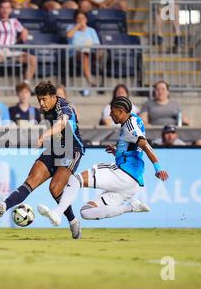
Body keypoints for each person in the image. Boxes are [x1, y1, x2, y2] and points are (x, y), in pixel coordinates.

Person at [38, 95, 169, 226]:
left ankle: (57, 213)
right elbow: (133, 146)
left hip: (123, 174)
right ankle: (131, 207)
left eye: (112, 111)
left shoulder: (130, 127)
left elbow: (145, 145)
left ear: (121, 111)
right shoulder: (135, 120)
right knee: (86, 212)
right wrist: (117, 151)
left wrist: (158, 168)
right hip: (131, 185)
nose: (110, 115)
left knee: (75, 180)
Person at [0, 81, 84, 239]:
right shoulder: (46, 108)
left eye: (44, 99)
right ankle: (3, 206)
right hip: (54, 149)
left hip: (72, 151)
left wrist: (44, 136)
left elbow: (61, 125)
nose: (41, 103)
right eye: (39, 100)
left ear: (54, 97)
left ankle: (73, 221)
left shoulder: (65, 108)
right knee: (31, 179)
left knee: (55, 188)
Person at [66, 11, 102, 90]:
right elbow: (68, 35)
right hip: (75, 53)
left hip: (90, 51)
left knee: (97, 51)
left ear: (86, 20)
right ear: (75, 20)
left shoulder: (91, 30)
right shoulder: (70, 27)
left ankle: (100, 72)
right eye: (78, 19)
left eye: (83, 18)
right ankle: (90, 81)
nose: (81, 20)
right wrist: (77, 27)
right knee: (84, 54)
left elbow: (97, 43)